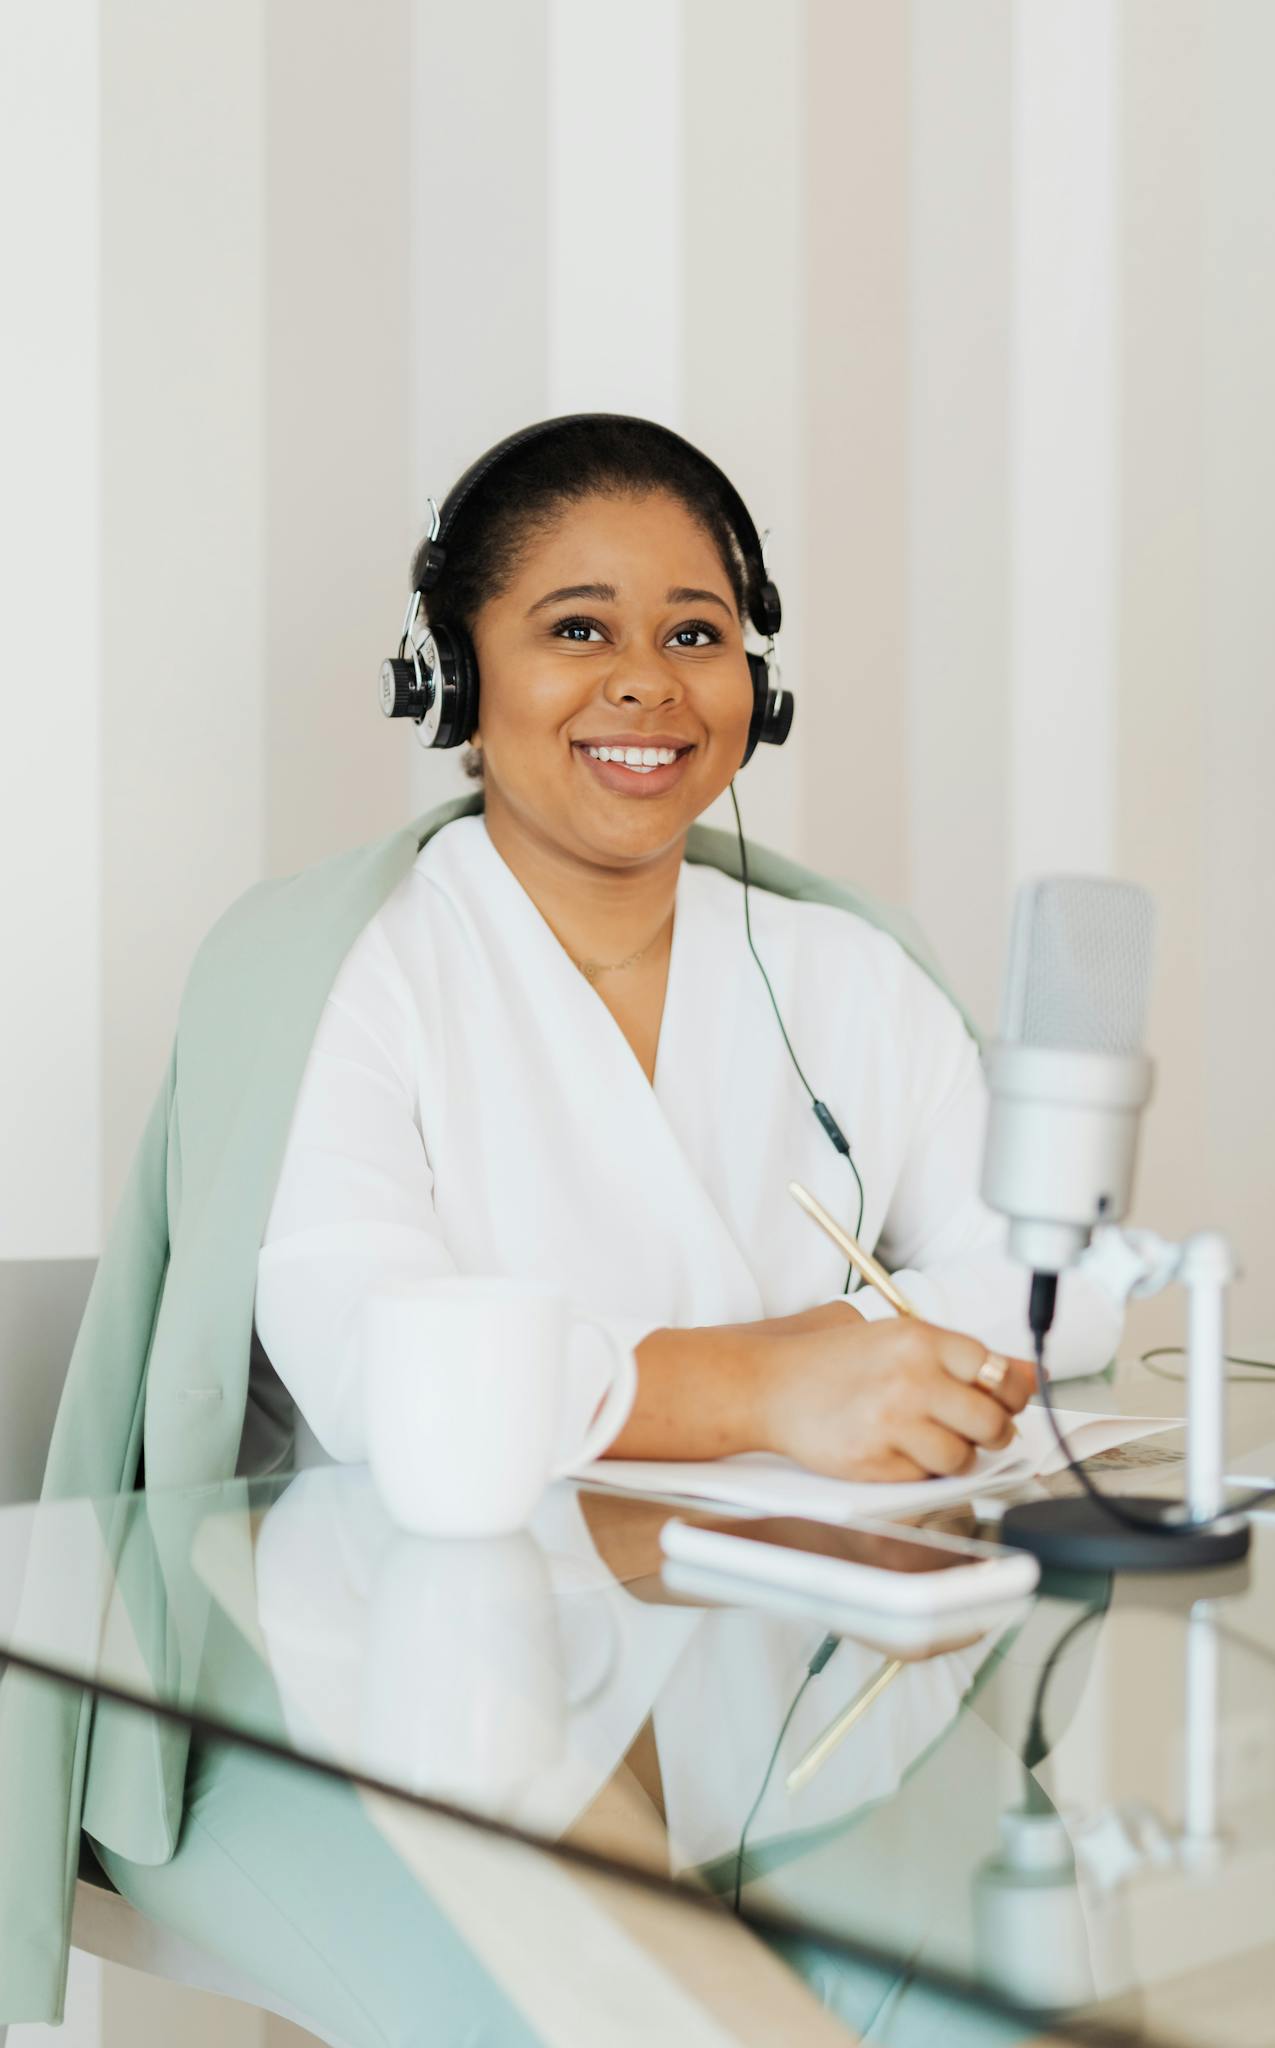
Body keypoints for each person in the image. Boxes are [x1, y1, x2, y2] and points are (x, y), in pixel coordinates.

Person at [90, 414, 1124, 2045]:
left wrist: (789, 1377)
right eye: (577, 629)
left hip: (785, 1672)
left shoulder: (842, 974)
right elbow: (389, 1383)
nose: (646, 682)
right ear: (451, 683)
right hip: (367, 1699)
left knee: (1012, 2008)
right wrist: (785, 1386)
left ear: (753, 695)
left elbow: (1047, 1281)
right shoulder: (333, 972)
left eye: (695, 636)